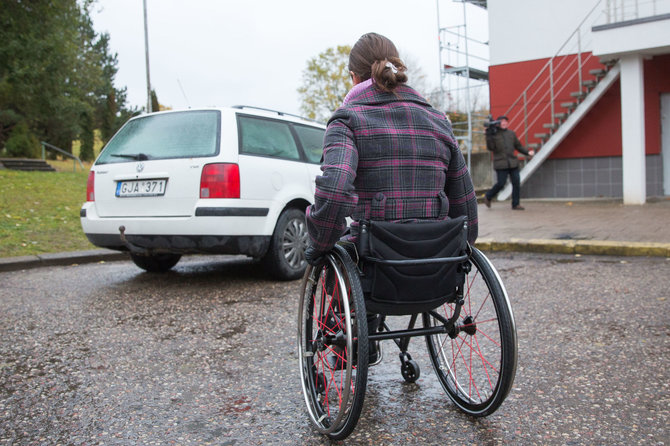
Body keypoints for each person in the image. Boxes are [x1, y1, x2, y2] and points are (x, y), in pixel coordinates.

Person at [303, 33, 479, 363]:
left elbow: (336, 187)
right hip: (437, 262)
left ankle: (355, 340)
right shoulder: (438, 120)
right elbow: (464, 197)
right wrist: (463, 246)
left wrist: (320, 243)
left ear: (354, 77)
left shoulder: (349, 119)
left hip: (378, 264)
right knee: (355, 246)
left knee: (338, 248)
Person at [484, 116, 535, 210]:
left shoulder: (511, 134)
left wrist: (527, 152)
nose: (504, 123)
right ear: (498, 123)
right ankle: (488, 196)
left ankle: (516, 204)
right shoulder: (494, 134)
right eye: (502, 122)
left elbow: (518, 146)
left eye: (506, 122)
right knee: (501, 183)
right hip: (501, 163)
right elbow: (490, 148)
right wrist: (488, 135)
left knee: (516, 182)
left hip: (513, 163)